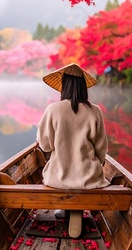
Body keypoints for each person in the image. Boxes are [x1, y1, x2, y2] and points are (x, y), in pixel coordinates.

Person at [36, 63, 109, 238]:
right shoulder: (95, 111)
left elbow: (45, 145)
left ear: (64, 86)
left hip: (58, 177)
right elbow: (101, 149)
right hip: (88, 177)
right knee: (86, 172)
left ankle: (67, 207)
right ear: (83, 87)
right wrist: (98, 163)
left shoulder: (53, 110)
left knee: (59, 170)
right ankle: (75, 208)